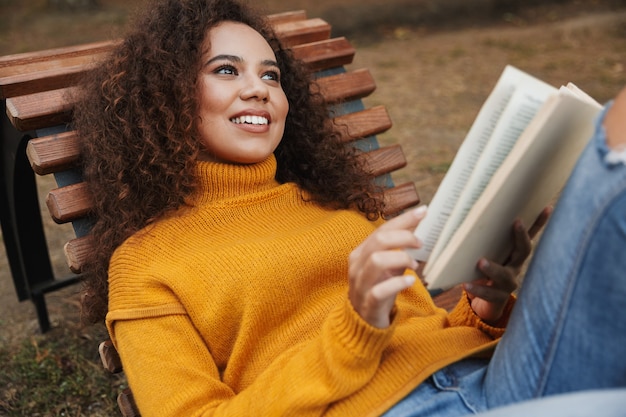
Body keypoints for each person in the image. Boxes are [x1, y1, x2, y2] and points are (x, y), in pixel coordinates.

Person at [71, 0, 626, 416]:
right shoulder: (144, 264)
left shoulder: (328, 204)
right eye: (225, 70)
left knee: (615, 128)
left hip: (492, 379)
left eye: (271, 75)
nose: (259, 89)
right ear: (165, 98)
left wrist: (484, 306)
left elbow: (419, 325)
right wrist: (354, 325)